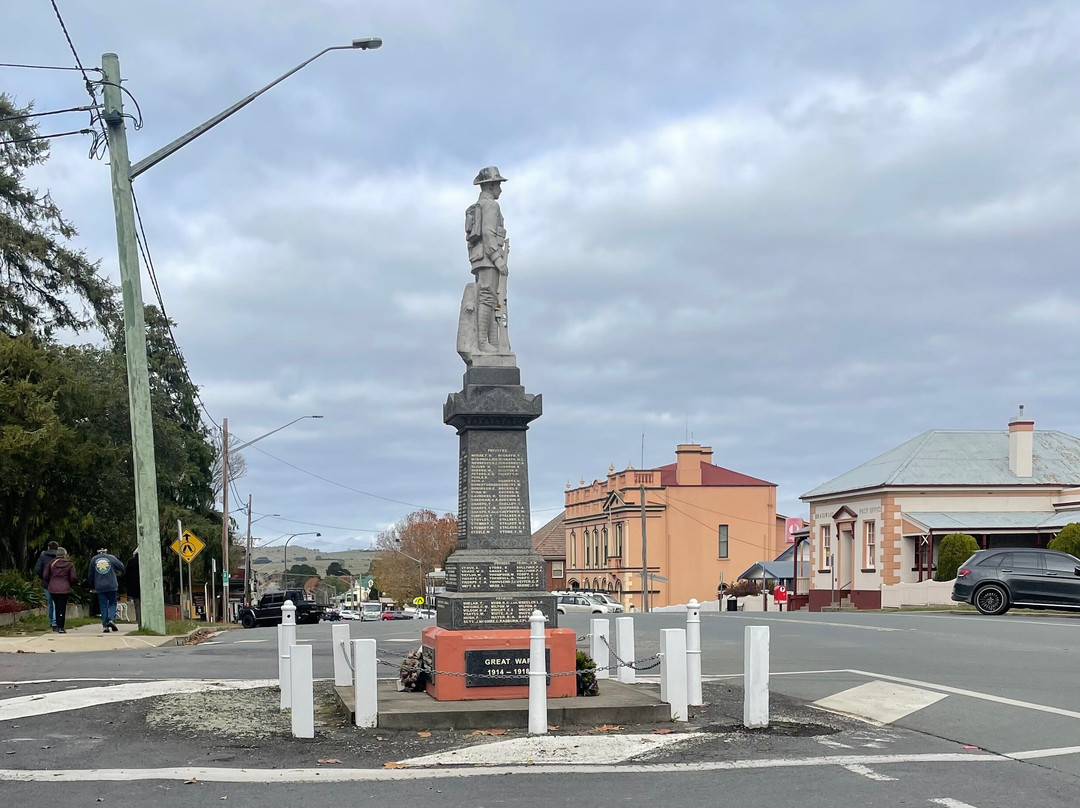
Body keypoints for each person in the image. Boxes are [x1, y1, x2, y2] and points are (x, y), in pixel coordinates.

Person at [464, 166, 510, 353]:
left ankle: (492, 341)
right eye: (498, 184)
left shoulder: (478, 206)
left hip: (480, 258)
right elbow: (488, 233)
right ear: (490, 185)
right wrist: (498, 259)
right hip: (489, 258)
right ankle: (483, 342)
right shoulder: (491, 205)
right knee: (487, 297)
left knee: (491, 299)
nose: (500, 188)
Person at [89, 547, 125, 633]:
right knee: (112, 603)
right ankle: (111, 619)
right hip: (112, 585)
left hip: (99, 586)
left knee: (103, 605)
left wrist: (92, 587)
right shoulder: (111, 558)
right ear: (106, 552)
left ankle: (105, 626)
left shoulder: (94, 559)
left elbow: (90, 574)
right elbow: (121, 567)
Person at [42, 547, 77, 633]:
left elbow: (45, 576)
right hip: (65, 588)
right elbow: (73, 577)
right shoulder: (69, 564)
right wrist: (70, 584)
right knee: (62, 607)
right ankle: (61, 626)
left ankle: (57, 625)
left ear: (56, 554)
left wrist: (51, 582)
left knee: (56, 606)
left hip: (53, 588)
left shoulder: (51, 563)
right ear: (65, 555)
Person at [33, 541, 60, 630]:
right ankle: (55, 623)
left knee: (50, 603)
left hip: (46, 583)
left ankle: (52, 621)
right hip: (58, 583)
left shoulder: (43, 557)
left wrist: (43, 577)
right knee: (56, 602)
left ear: (48, 547)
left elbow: (37, 570)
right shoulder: (60, 557)